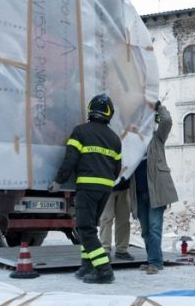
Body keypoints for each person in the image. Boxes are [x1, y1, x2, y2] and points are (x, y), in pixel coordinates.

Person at [48, 94, 122, 284]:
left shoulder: (80, 132)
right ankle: (87, 265)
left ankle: (104, 270)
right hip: (105, 189)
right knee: (89, 228)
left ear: (90, 109)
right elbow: (116, 169)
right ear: (109, 113)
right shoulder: (114, 139)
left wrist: (58, 181)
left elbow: (70, 160)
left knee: (85, 229)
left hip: (87, 188)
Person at [129, 101, 178, 275]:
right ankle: (151, 260)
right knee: (146, 231)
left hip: (156, 193)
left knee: (155, 228)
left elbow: (167, 121)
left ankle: (156, 263)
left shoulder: (157, 138)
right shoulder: (133, 144)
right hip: (139, 193)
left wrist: (159, 108)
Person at [99, 178, 133, 260]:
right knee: (106, 219)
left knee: (124, 220)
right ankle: (105, 250)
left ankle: (121, 250)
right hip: (106, 186)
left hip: (124, 187)